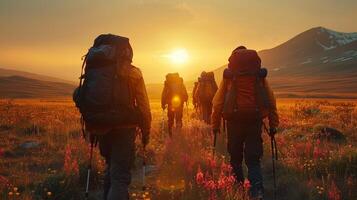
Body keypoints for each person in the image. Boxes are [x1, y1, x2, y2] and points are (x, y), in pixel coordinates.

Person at [74, 34, 151, 200]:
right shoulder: (133, 72)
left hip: (101, 126)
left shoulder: (95, 68)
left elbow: (79, 94)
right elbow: (144, 106)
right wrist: (146, 132)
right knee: (120, 176)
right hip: (125, 128)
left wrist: (92, 118)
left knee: (111, 167)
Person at [211, 47, 279, 200]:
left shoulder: (229, 76)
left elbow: (218, 102)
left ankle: (239, 190)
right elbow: (271, 101)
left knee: (235, 158)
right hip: (254, 121)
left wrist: (215, 125)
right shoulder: (258, 76)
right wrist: (273, 125)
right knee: (253, 159)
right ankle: (257, 193)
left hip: (233, 123)